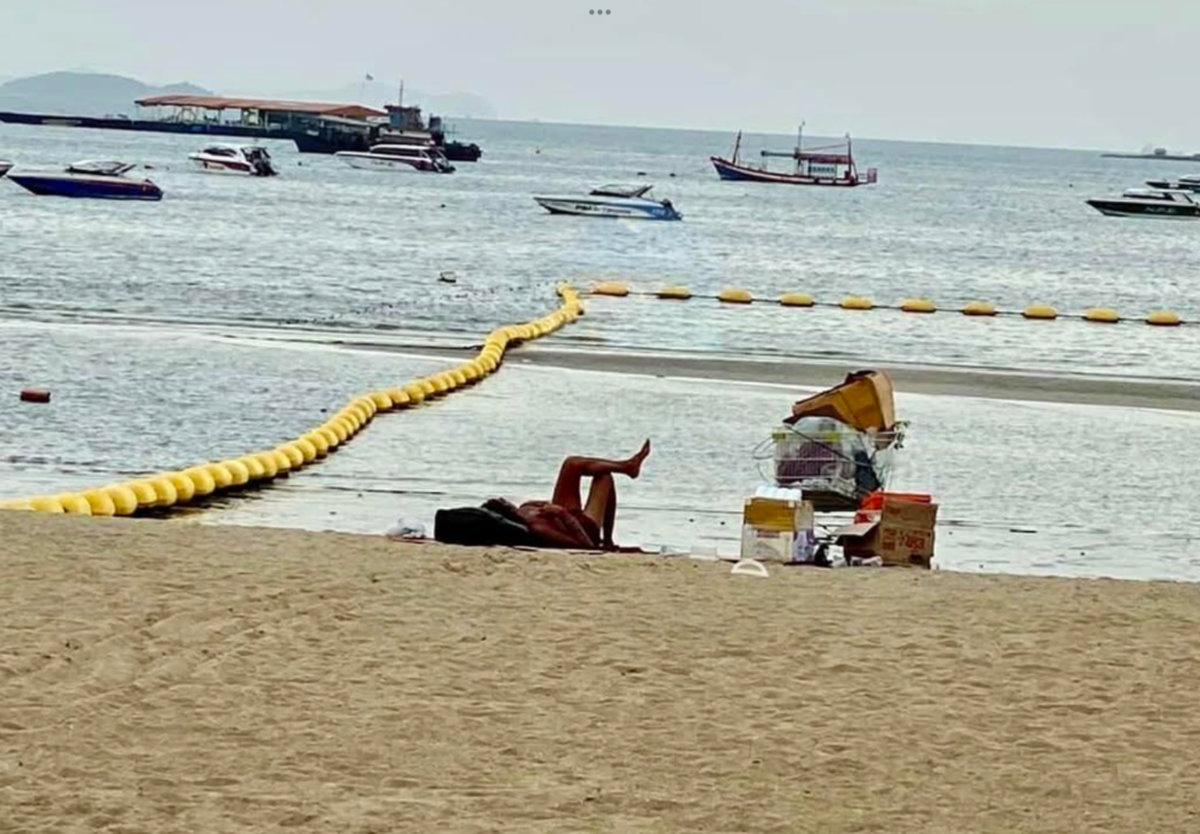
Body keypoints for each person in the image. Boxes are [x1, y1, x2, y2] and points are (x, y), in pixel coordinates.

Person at [483, 440, 650, 551]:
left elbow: (550, 506)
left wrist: (550, 507)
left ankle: (627, 466)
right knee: (605, 477)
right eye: (504, 503)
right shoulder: (535, 527)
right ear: (505, 513)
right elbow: (583, 545)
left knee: (571, 464)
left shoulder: (524, 509)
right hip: (583, 528)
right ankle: (607, 540)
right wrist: (561, 514)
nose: (508, 502)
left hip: (567, 512)